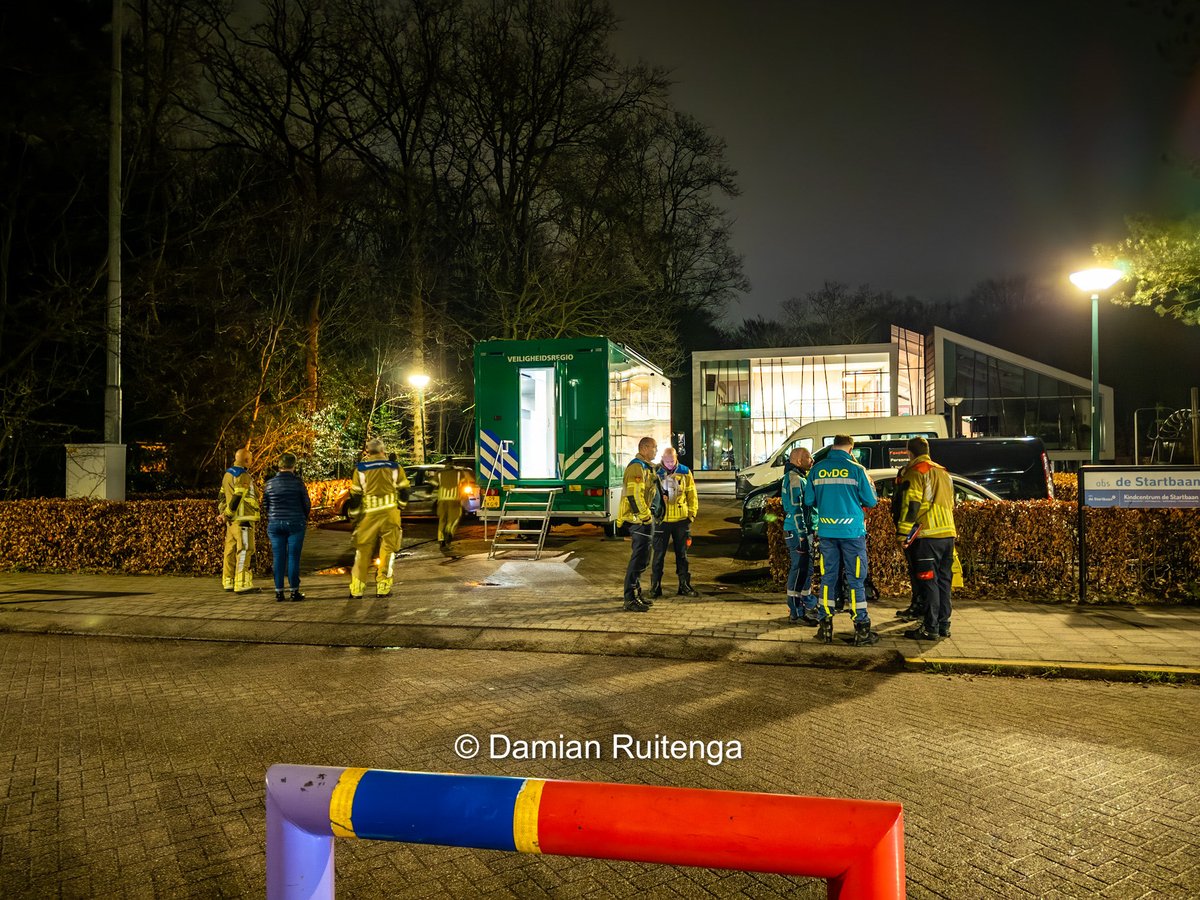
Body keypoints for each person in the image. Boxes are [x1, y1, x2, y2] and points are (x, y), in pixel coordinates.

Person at [802, 434, 879, 645]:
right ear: (850, 449)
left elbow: (809, 500)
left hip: (827, 532)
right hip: (852, 533)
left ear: (833, 446)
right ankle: (861, 629)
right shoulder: (857, 469)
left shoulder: (817, 469)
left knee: (828, 578)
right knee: (855, 580)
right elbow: (871, 501)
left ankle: (825, 626)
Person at [895, 436, 958, 641]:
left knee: (928, 583)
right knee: (944, 581)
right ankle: (943, 624)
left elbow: (911, 505)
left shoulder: (916, 472)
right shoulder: (944, 472)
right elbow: (952, 502)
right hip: (948, 534)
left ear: (908, 452)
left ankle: (930, 627)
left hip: (927, 536)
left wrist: (903, 533)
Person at [347, 439, 410, 599]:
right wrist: (401, 507)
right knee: (388, 551)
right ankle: (383, 587)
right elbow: (404, 491)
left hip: (369, 515)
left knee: (362, 551)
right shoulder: (395, 467)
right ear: (383, 451)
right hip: (390, 514)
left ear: (368, 452)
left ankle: (357, 589)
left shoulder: (360, 469)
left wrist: (354, 515)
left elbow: (355, 496)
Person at [649, 446, 700, 598]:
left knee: (682, 555)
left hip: (681, 520)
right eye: (667, 461)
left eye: (672, 460)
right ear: (662, 459)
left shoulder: (685, 472)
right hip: (661, 520)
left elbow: (692, 494)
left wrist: (691, 514)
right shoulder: (655, 472)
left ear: (676, 457)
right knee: (658, 555)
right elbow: (648, 493)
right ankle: (655, 587)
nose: (670, 464)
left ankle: (684, 585)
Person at [261, 452, 311, 602]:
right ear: (293, 465)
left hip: (275, 524)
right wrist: (303, 517)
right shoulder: (298, 483)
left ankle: (279, 592)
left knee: (278, 557)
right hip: (296, 523)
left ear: (279, 465)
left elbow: (265, 504)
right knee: (293, 557)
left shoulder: (269, 484)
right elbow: (306, 504)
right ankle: (294, 591)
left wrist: (273, 516)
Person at [615, 436, 658, 612]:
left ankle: (636, 594)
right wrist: (646, 517)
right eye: (654, 447)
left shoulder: (645, 467)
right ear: (645, 448)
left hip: (641, 519)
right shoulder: (636, 467)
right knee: (638, 560)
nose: (656, 451)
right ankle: (630, 598)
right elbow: (634, 496)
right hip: (638, 521)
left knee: (643, 560)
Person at [781, 447, 817, 625]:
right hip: (797, 533)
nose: (812, 461)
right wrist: (802, 536)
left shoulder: (798, 477)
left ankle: (806, 604)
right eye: (809, 457)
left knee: (806, 570)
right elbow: (796, 509)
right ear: (799, 460)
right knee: (799, 571)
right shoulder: (795, 479)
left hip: (800, 531)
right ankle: (796, 610)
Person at [219, 448, 260, 594]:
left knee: (230, 550)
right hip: (243, 520)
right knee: (245, 549)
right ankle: (242, 584)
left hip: (232, 522)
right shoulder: (243, 475)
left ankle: (228, 581)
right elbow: (238, 496)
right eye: (251, 459)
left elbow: (221, 496)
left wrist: (223, 513)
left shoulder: (227, 475)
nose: (252, 462)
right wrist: (228, 514)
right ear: (246, 460)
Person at [436, 461, 467, 549]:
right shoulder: (459, 473)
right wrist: (463, 496)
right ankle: (449, 531)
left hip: (442, 500)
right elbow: (464, 484)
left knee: (442, 520)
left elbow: (432, 485)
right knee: (454, 518)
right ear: (453, 464)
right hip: (454, 500)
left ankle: (441, 539)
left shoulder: (439, 473)